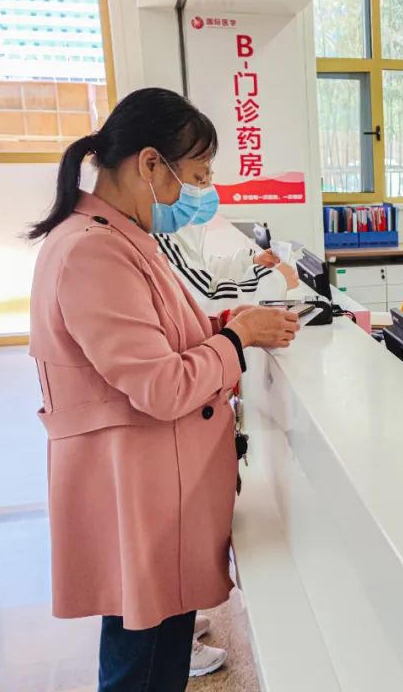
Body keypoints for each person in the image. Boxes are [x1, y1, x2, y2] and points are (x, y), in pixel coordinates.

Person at [27, 87, 300, 691]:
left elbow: (157, 338)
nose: (196, 195)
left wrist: (225, 327)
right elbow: (160, 385)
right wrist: (237, 340)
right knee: (145, 664)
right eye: (195, 178)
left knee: (151, 649)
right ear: (150, 163)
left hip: (148, 483)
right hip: (139, 489)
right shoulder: (93, 251)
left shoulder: (117, 235)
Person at [156, 220, 301, 315]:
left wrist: (250, 262)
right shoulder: (160, 239)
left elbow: (202, 272)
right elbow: (208, 301)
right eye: (201, 183)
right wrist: (276, 281)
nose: (210, 191)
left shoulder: (175, 231)